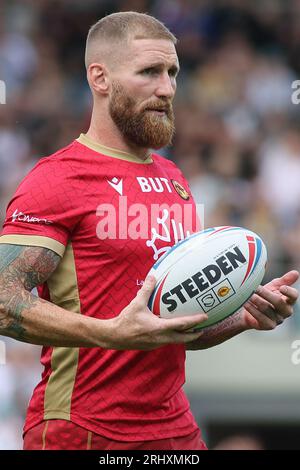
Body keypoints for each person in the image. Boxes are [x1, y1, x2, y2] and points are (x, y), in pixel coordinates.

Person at [0, 12, 298, 451]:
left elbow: (173, 328)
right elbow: (3, 299)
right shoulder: (55, 180)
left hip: (176, 430)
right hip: (84, 430)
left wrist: (243, 317)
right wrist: (111, 333)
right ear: (99, 78)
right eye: (149, 72)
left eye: (173, 72)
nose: (167, 88)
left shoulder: (174, 179)